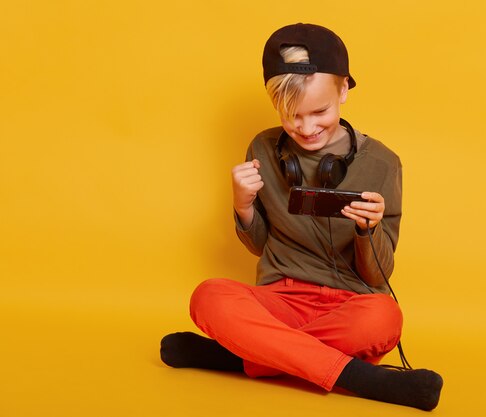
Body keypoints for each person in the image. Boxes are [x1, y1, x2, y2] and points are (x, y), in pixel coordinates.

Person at [160, 23, 443, 411]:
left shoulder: (383, 163)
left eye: (320, 112)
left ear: (343, 90)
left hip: (350, 304)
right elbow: (260, 246)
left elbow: (378, 276)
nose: (306, 128)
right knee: (208, 295)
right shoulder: (262, 146)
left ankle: (242, 357)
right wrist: (243, 205)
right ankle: (355, 377)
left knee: (384, 318)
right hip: (280, 297)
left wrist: (368, 230)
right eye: (291, 116)